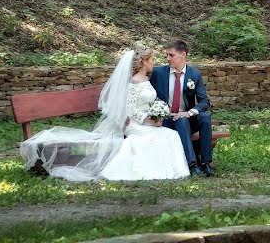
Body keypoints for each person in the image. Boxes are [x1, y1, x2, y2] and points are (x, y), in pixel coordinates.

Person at [20, 45, 191, 181]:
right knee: (166, 136)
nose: (154, 62)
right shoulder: (134, 82)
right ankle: (155, 171)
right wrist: (150, 121)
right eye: (152, 59)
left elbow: (146, 103)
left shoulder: (146, 79)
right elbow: (131, 110)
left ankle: (171, 171)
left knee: (169, 135)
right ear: (144, 61)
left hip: (147, 122)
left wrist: (157, 115)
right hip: (135, 124)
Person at [150, 40, 216, 177]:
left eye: (171, 55)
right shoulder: (158, 73)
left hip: (187, 119)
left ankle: (206, 163)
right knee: (180, 120)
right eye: (167, 55)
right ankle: (192, 165)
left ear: (183, 54)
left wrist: (190, 112)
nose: (168, 58)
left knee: (204, 117)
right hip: (166, 120)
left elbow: (204, 101)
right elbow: (149, 97)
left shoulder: (194, 74)